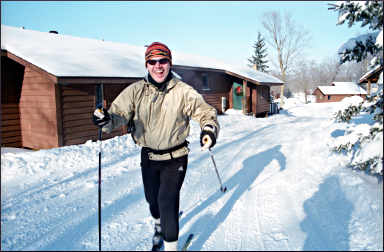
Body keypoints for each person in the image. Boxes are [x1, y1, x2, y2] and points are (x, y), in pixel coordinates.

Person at [92, 42, 220, 251]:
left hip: (176, 157)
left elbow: (206, 113)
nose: (158, 66)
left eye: (163, 61)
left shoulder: (183, 91)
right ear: (147, 65)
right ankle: (158, 225)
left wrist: (209, 130)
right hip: (149, 157)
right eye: (152, 62)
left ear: (170, 63)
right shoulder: (135, 91)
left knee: (167, 202)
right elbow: (116, 116)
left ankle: (170, 246)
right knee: (153, 201)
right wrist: (104, 120)